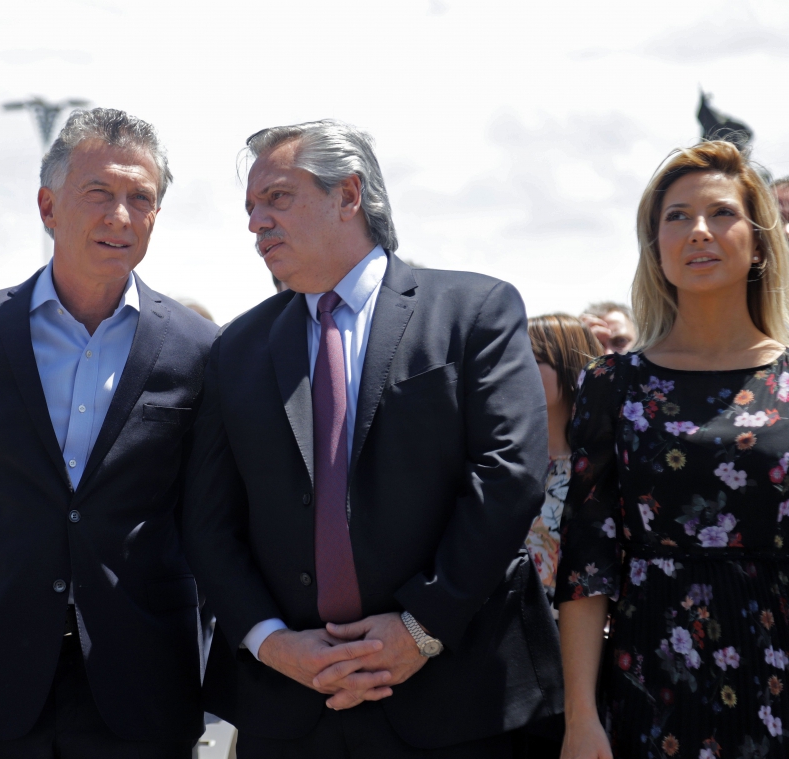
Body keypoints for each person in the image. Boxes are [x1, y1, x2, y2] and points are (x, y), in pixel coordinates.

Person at [183, 120, 562, 758]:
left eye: (277, 198)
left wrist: (420, 629)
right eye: (250, 207)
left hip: (462, 697)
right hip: (293, 707)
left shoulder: (474, 311)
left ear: (349, 195)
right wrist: (273, 642)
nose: (255, 223)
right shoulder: (237, 349)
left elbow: (509, 474)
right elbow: (207, 519)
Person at [0, 108, 218, 758]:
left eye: (142, 198)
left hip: (142, 687)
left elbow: (206, 521)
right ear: (48, 205)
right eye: (99, 193)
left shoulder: (201, 352)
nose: (121, 215)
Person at [557, 140, 789, 759]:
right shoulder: (611, 383)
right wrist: (581, 719)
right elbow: (586, 563)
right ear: (655, 248)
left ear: (761, 239)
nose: (699, 232)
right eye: (677, 217)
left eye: (722, 214)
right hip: (650, 678)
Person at [525, 314, 603, 602]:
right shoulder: (500, 461)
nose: (517, 369)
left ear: (570, 367)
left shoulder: (602, 469)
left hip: (574, 629)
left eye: (534, 359)